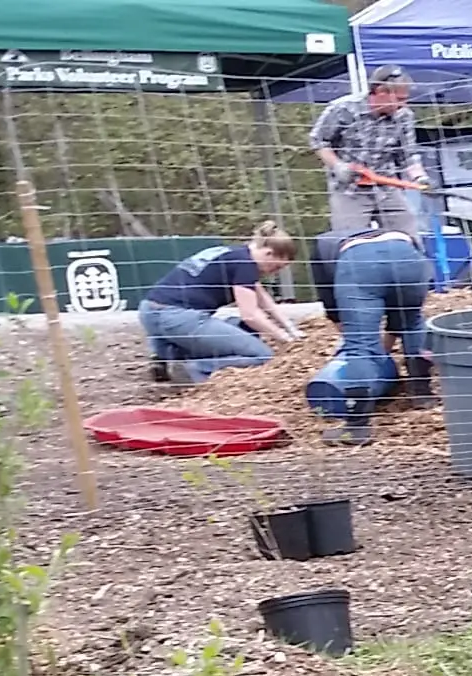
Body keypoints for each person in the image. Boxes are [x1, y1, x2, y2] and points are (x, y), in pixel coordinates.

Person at [302, 225, 433, 444]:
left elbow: (332, 307)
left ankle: (357, 426)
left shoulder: (321, 246)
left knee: (358, 345)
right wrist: (384, 349)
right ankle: (422, 393)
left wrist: (354, 343)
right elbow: (400, 320)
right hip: (408, 256)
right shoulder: (387, 230)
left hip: (360, 264)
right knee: (413, 322)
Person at [137, 225, 300, 384]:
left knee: (238, 325)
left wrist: (289, 327)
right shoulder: (246, 264)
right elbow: (250, 315)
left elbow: (261, 296)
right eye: (277, 266)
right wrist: (284, 339)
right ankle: (196, 369)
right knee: (262, 356)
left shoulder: (233, 253)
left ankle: (165, 354)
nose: (274, 272)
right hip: (180, 318)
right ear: (268, 253)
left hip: (149, 313)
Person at [309, 67, 426, 235]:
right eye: (399, 99)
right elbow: (318, 141)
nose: (402, 105)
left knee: (408, 236)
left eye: (405, 100)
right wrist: (338, 166)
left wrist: (420, 177)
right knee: (351, 241)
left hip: (387, 189)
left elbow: (408, 155)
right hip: (350, 190)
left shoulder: (404, 116)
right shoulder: (343, 109)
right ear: (380, 92)